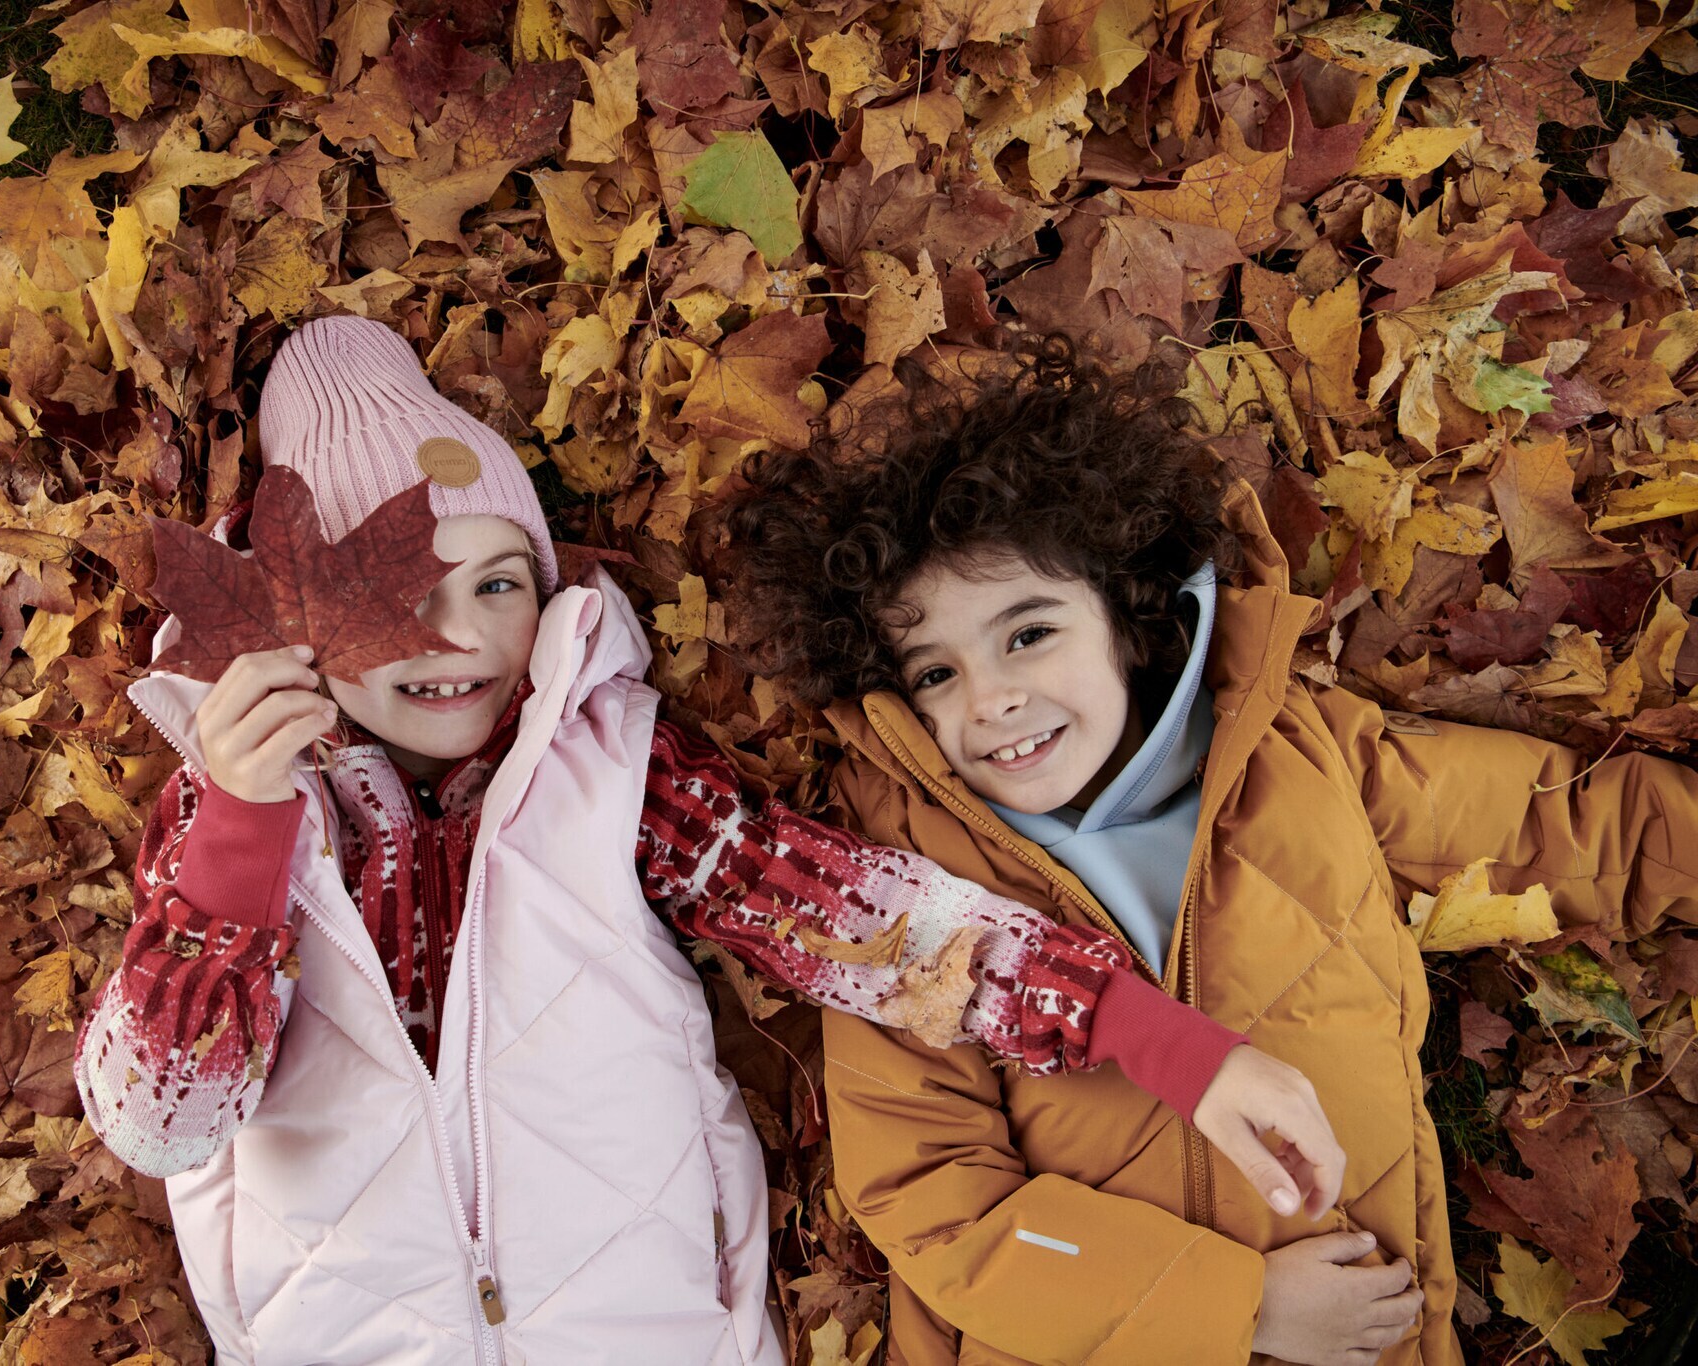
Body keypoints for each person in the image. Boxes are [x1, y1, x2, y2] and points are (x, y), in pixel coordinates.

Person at [74, 318, 1344, 1366]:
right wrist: (238, 830)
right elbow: (161, 1121)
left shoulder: (614, 771)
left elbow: (860, 921)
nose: (454, 635)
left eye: (497, 584)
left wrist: (1160, 1044)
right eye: (398, 593)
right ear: (292, 619)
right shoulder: (230, 811)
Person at [723, 334, 1698, 1366]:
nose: (988, 699)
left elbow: (1565, 825)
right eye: (933, 673)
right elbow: (932, 1201)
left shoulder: (1299, 756)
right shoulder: (900, 897)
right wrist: (1233, 1306)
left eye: (1025, 634)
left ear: (1123, 615)